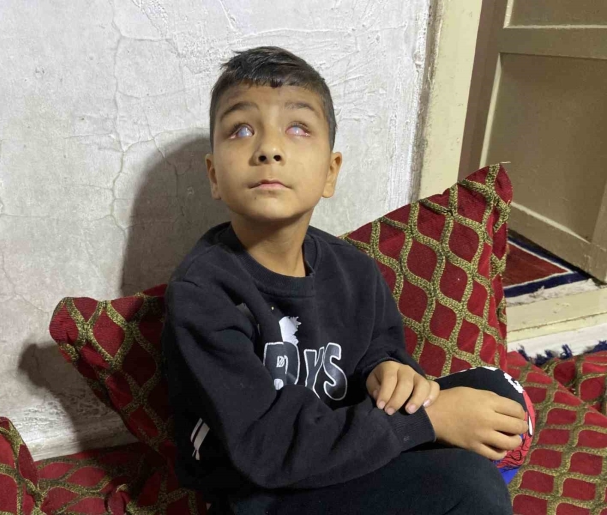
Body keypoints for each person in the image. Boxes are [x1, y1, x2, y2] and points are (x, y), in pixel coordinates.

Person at [161, 46, 531, 515]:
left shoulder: (353, 270)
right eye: (242, 130)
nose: (269, 149)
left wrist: (388, 371)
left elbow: (379, 348)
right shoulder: (203, 293)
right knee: (468, 483)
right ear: (215, 175)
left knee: (498, 393)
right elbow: (265, 449)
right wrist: (426, 422)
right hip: (261, 490)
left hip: (338, 444)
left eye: (297, 128)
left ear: (330, 172)